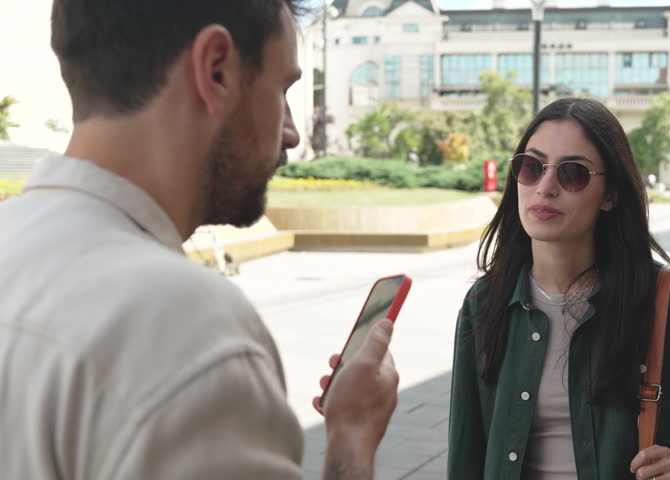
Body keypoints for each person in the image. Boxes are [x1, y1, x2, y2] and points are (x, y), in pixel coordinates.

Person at [0, 1, 398, 479]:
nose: (291, 134)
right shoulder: (186, 327)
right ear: (216, 70)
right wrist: (351, 437)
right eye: (283, 90)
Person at [447, 98, 670, 480]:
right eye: (531, 167)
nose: (545, 188)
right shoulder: (485, 303)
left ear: (611, 195)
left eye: (573, 174)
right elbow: (466, 450)